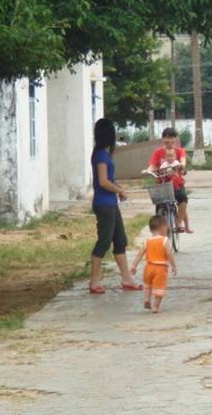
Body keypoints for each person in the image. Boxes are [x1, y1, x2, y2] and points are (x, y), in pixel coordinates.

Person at [89, 118, 142, 294]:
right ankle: (94, 281)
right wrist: (120, 190)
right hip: (104, 204)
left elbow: (108, 180)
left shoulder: (103, 153)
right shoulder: (101, 155)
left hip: (111, 203)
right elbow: (103, 182)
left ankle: (127, 279)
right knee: (104, 242)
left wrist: (118, 189)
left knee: (120, 240)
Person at [147, 127, 192, 233]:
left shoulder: (180, 151)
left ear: (175, 139)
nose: (169, 140)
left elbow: (183, 161)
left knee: (183, 200)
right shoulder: (157, 152)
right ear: (163, 139)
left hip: (177, 184)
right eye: (166, 137)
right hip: (162, 184)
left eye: (171, 137)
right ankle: (161, 232)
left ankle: (178, 223)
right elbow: (152, 165)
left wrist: (181, 165)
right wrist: (148, 170)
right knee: (159, 208)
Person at [131, 215, 177, 313]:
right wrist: (173, 265)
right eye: (167, 228)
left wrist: (134, 266)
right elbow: (169, 254)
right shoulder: (164, 240)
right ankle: (155, 307)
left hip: (148, 268)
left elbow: (139, 255)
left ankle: (147, 299)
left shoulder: (147, 241)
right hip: (160, 269)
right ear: (163, 227)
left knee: (148, 285)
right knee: (159, 288)